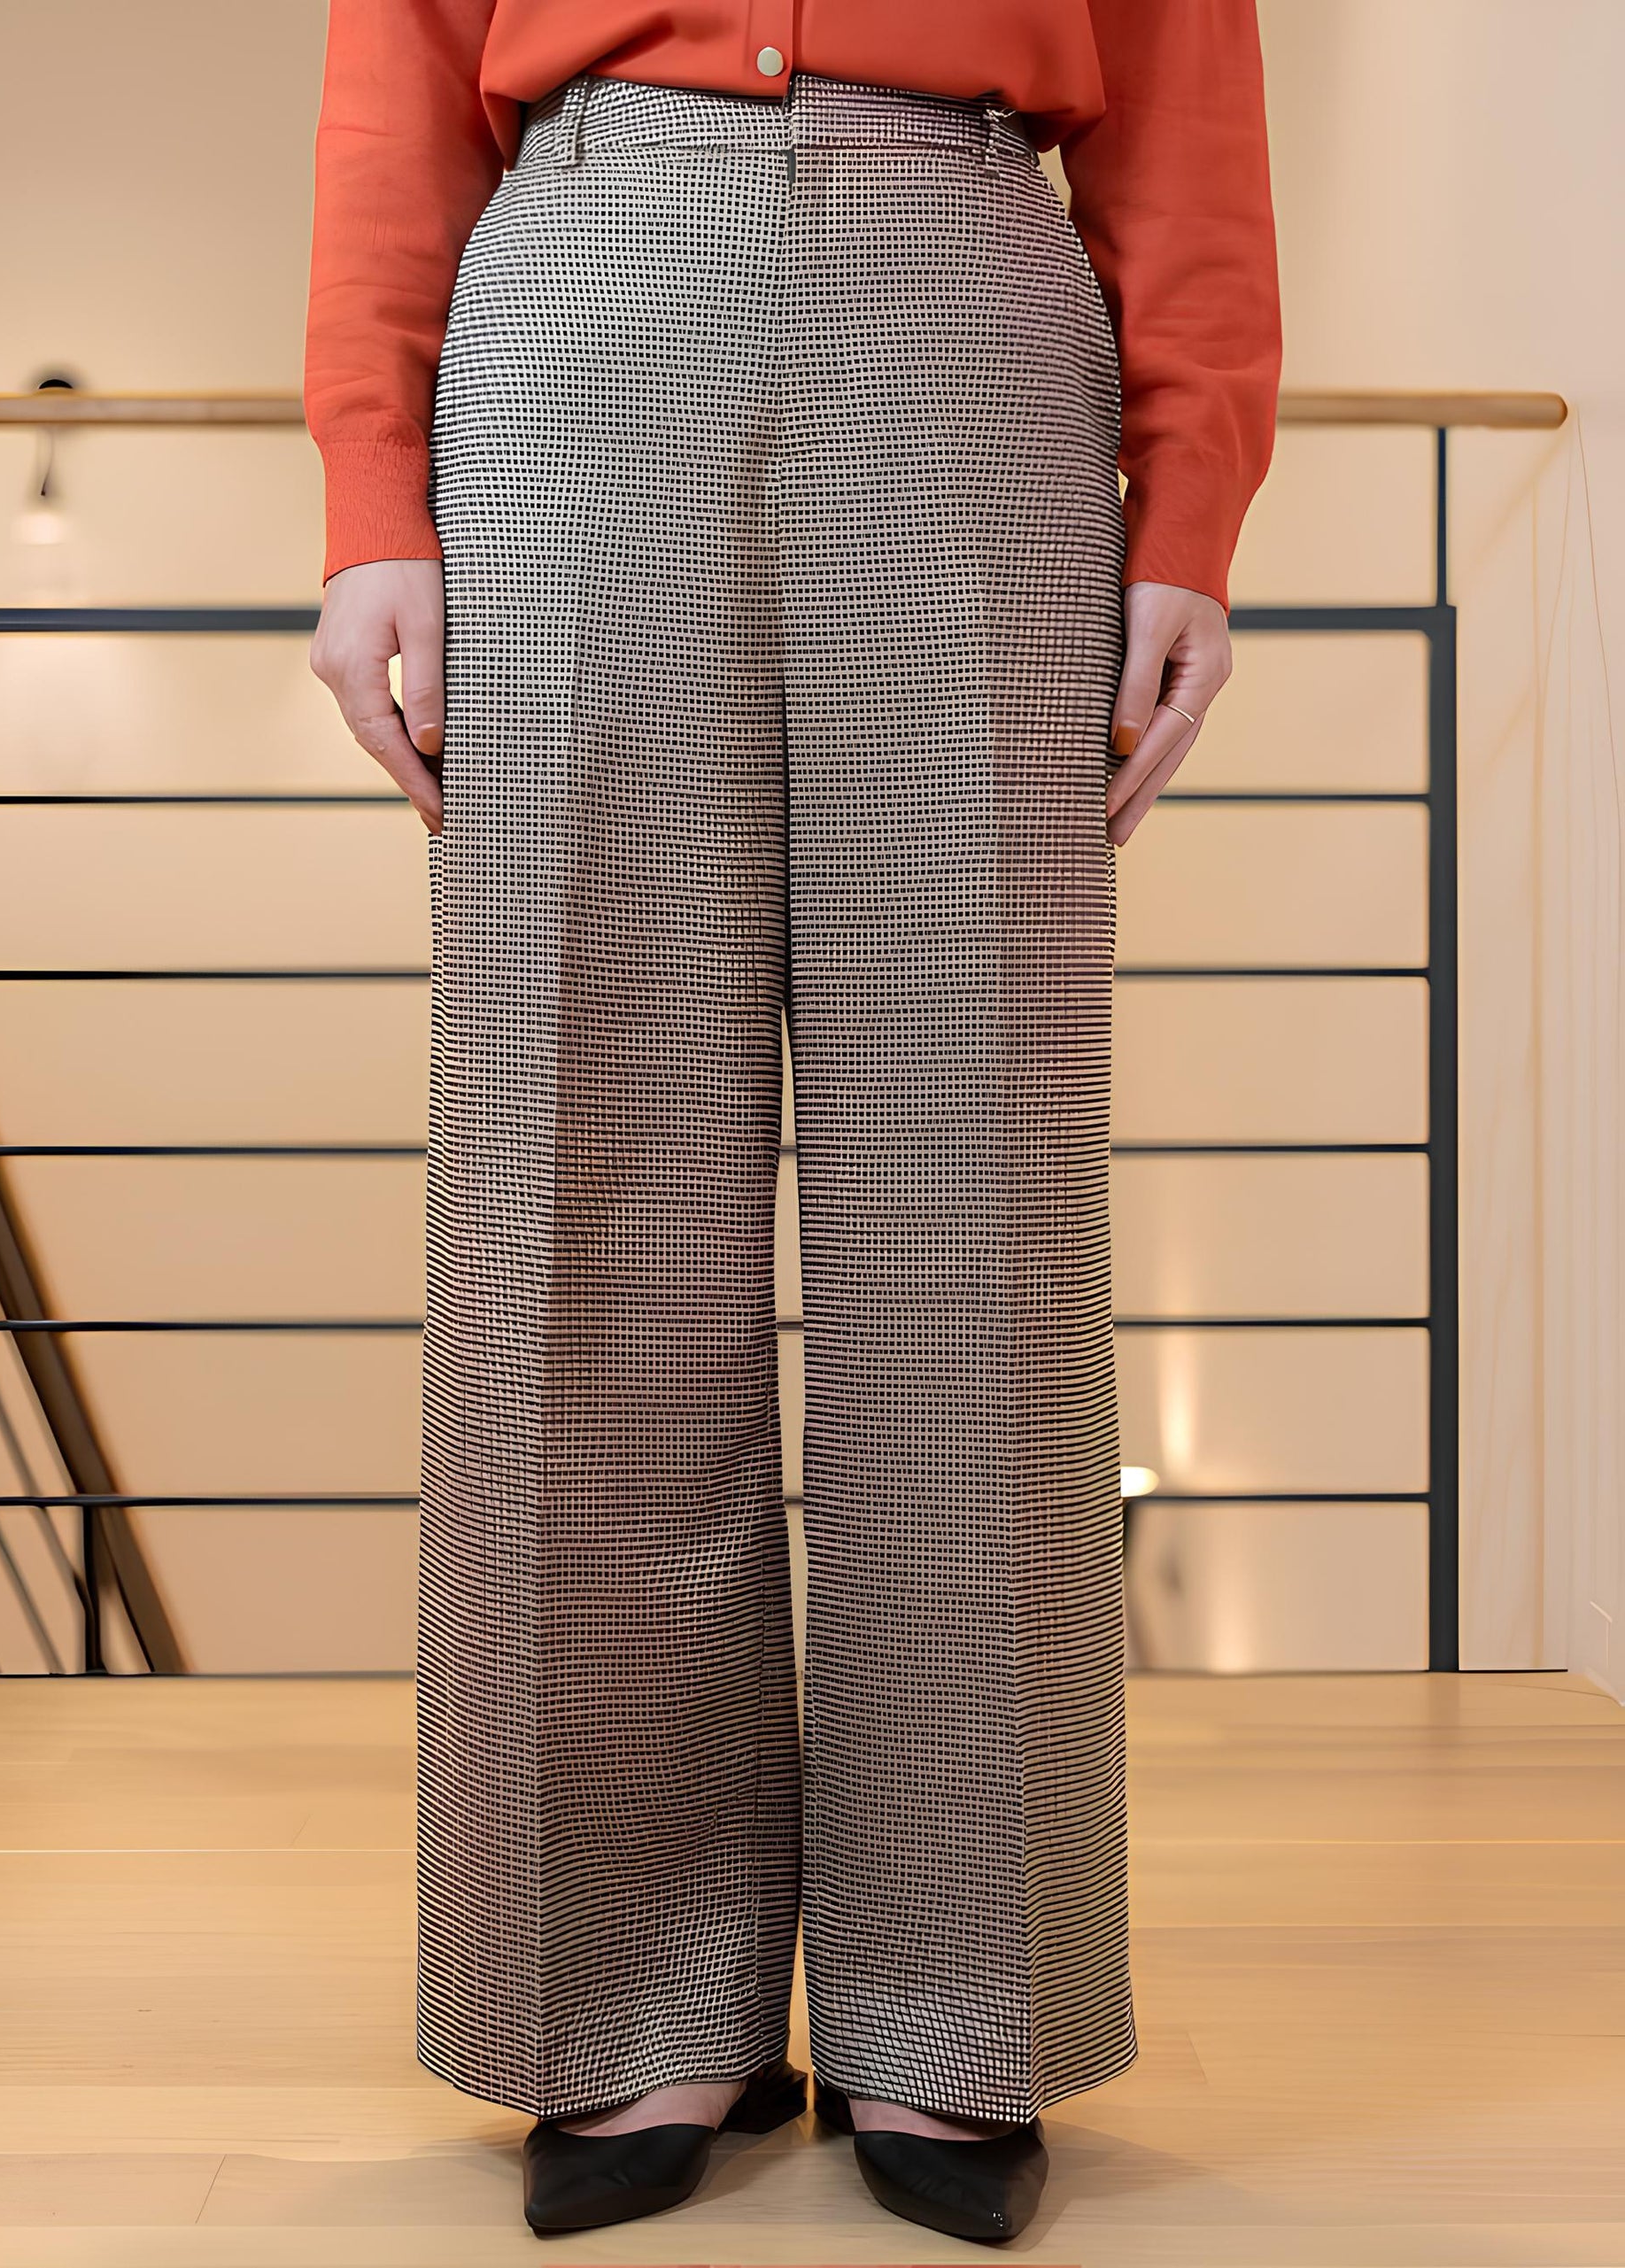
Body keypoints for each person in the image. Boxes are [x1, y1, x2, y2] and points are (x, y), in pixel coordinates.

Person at [303, 0, 1279, 2245]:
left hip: (970, 299)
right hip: (583, 287)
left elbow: (1190, 88)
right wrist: (371, 494)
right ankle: (624, 1997)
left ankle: (963, 2008)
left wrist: (1193, 504)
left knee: (975, 1195)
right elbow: (394, 74)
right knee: (577, 1183)